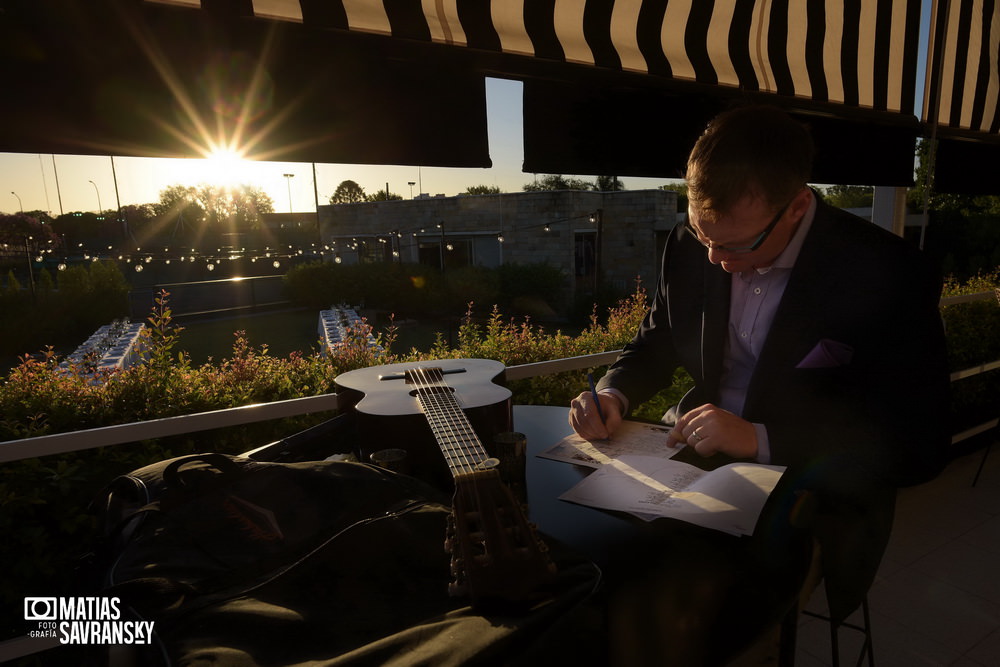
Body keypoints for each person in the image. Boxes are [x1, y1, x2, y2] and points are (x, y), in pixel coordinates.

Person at [568, 104, 951, 665]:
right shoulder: (689, 245)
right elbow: (656, 342)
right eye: (704, 237)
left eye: (737, 247)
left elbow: (920, 440)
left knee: (722, 631)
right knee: (600, 571)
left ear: (798, 205)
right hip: (690, 460)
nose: (717, 262)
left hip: (812, 491)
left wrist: (763, 440)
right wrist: (613, 393)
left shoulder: (888, 272)